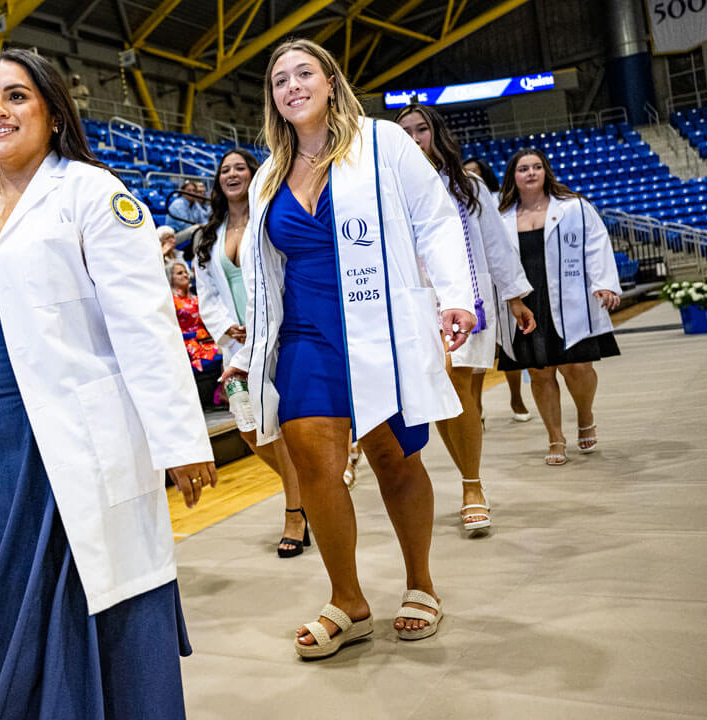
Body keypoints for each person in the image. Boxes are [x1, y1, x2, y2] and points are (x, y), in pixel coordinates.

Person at [0, 49, 215, 719]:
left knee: (90, 594)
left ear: (50, 109)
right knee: (22, 598)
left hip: (74, 438)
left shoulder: (93, 194)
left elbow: (145, 324)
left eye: (15, 96)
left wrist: (181, 439)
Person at [220, 40, 476, 659]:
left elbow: (437, 219)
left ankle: (421, 584)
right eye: (279, 80)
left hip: (380, 328)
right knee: (314, 466)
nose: (291, 86)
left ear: (330, 82)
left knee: (394, 458)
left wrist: (455, 294)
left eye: (304, 73)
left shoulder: (382, 143)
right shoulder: (268, 176)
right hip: (305, 334)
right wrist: (251, 346)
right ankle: (349, 600)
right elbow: (262, 271)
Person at [395, 104, 537, 536]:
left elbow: (495, 243)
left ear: (437, 134)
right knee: (446, 398)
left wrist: (515, 296)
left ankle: (472, 486)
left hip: (469, 301)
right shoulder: (389, 188)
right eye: (406, 132)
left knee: (463, 393)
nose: (415, 138)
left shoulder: (467, 185)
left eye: (422, 129)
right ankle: (470, 482)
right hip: (418, 305)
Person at [191, 147, 308, 557]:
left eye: (240, 167)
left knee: (281, 429)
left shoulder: (269, 217)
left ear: (253, 175)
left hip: (278, 334)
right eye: (225, 170)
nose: (232, 174)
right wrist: (226, 328)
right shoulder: (208, 235)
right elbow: (205, 293)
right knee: (248, 428)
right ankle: (308, 486)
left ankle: (296, 511)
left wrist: (258, 329)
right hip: (236, 344)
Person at [498, 148, 621, 466]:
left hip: (571, 298)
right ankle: (555, 437)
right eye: (523, 168)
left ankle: (585, 415)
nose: (531, 172)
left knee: (578, 367)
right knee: (539, 373)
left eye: (537, 166)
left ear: (546, 172)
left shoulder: (574, 208)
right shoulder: (502, 219)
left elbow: (597, 244)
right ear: (513, 176)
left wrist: (604, 283)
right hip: (527, 304)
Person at [465, 155, 533, 422]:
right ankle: (476, 409)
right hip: (474, 282)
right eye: (467, 173)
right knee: (476, 353)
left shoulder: (500, 202)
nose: (472, 177)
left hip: (501, 281)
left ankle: (516, 398)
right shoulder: (459, 198)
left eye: (476, 172)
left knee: (509, 346)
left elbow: (502, 244)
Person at [169, 259, 220, 371]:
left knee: (229, 348)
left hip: (207, 339)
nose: (185, 275)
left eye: (186, 272)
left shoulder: (196, 299)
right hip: (188, 344)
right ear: (171, 279)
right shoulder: (171, 301)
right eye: (179, 273)